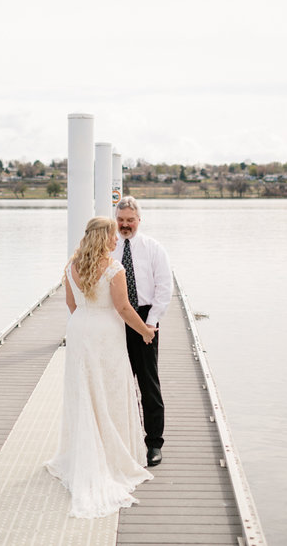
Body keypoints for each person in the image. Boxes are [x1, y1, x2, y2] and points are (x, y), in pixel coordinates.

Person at [46, 216, 156, 518]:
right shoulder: (113, 268)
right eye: (112, 235)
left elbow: (71, 303)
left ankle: (81, 451)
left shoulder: (71, 266)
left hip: (80, 327)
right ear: (104, 236)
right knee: (110, 390)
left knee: (83, 389)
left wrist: (85, 319)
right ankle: (110, 456)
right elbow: (122, 308)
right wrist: (146, 330)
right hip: (106, 332)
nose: (115, 240)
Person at [114, 196, 172, 467]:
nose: (125, 225)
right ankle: (122, 439)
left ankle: (153, 443)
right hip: (114, 320)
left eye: (130, 220)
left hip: (146, 318)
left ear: (139, 221)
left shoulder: (153, 248)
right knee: (117, 381)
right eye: (121, 220)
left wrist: (152, 322)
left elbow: (164, 287)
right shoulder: (109, 247)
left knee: (149, 384)